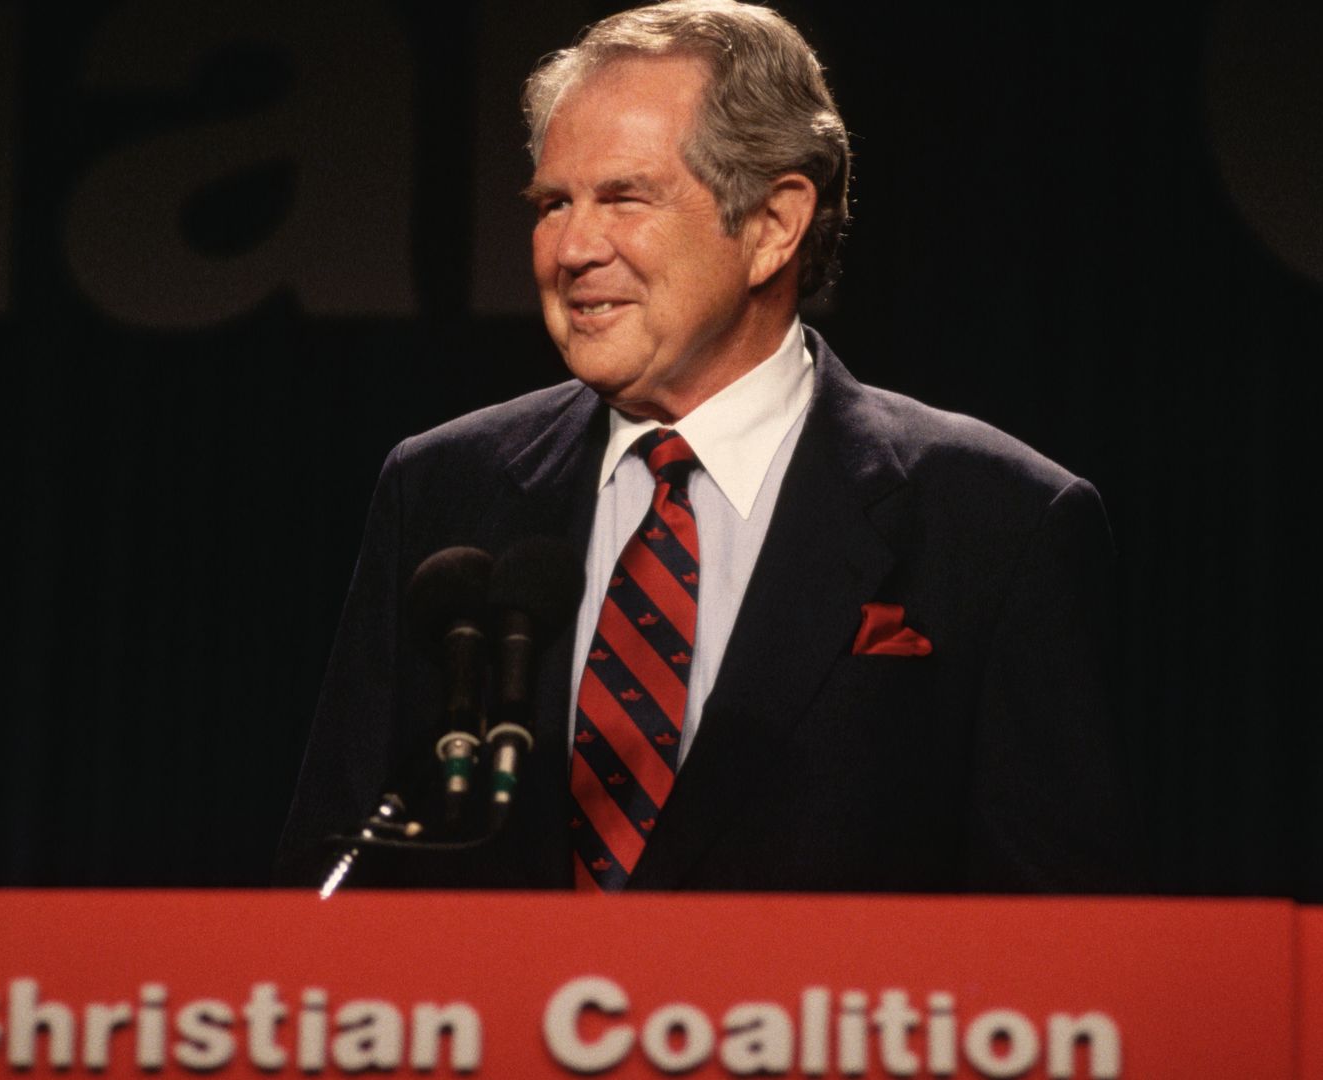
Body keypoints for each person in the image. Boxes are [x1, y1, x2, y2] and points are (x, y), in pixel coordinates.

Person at [277, 0, 1129, 893]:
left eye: (623, 198)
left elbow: (1066, 951)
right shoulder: (445, 489)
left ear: (771, 225)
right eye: (552, 203)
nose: (568, 249)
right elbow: (329, 879)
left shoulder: (999, 524)